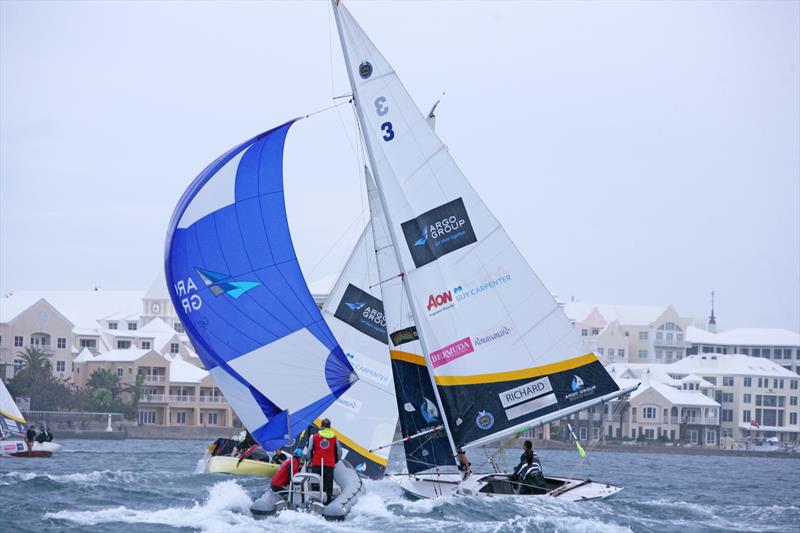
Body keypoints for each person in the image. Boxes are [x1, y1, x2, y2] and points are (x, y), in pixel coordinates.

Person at [306, 419, 342, 503]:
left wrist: (311, 460)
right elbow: (339, 451)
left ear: (321, 426)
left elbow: (309, 450)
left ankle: (314, 501)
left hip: (317, 464)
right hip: (329, 465)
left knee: (316, 483)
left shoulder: (314, 437)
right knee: (328, 484)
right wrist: (335, 461)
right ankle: (327, 501)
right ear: (329, 427)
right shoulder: (334, 437)